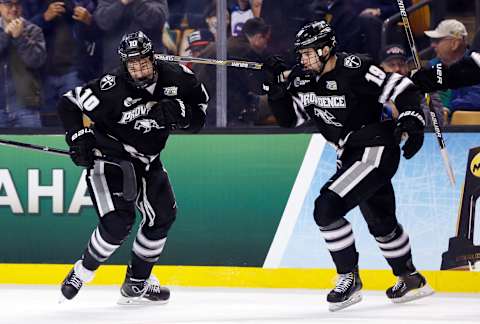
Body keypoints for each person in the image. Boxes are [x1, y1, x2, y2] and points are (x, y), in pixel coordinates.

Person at [263, 20, 433, 312]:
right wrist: (276, 89)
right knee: (382, 224)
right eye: (300, 54)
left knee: (326, 209)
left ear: (326, 48)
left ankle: (348, 277)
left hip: (376, 149)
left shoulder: (357, 68)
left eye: (308, 53)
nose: (303, 60)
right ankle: (411, 278)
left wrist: (413, 121)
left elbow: (403, 87)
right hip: (351, 155)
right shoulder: (305, 81)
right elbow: (290, 119)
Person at [57, 31, 209, 304]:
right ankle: (83, 271)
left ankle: (136, 283)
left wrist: (183, 114)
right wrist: (79, 137)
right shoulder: (109, 87)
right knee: (117, 223)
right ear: (125, 65)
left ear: (153, 58)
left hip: (149, 160)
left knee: (162, 216)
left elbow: (199, 113)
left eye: (143, 63)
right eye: (132, 65)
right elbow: (68, 102)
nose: (139, 70)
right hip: (111, 158)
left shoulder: (178, 77)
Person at [0, 0, 46, 128]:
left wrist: (20, 38)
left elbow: (37, 61)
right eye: (9, 4)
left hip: (26, 108)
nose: (14, 9)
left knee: (31, 147)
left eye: (18, 4)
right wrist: (6, 35)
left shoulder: (33, 30)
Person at [94, 0, 169, 72]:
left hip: (148, 61)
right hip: (117, 64)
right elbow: (103, 22)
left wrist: (137, 2)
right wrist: (122, 3)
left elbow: (158, 20)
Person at [424, 19, 480, 114]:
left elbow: (476, 98)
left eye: (438, 41)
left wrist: (448, 107)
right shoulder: (431, 66)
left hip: (464, 126)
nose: (433, 45)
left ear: (454, 44)